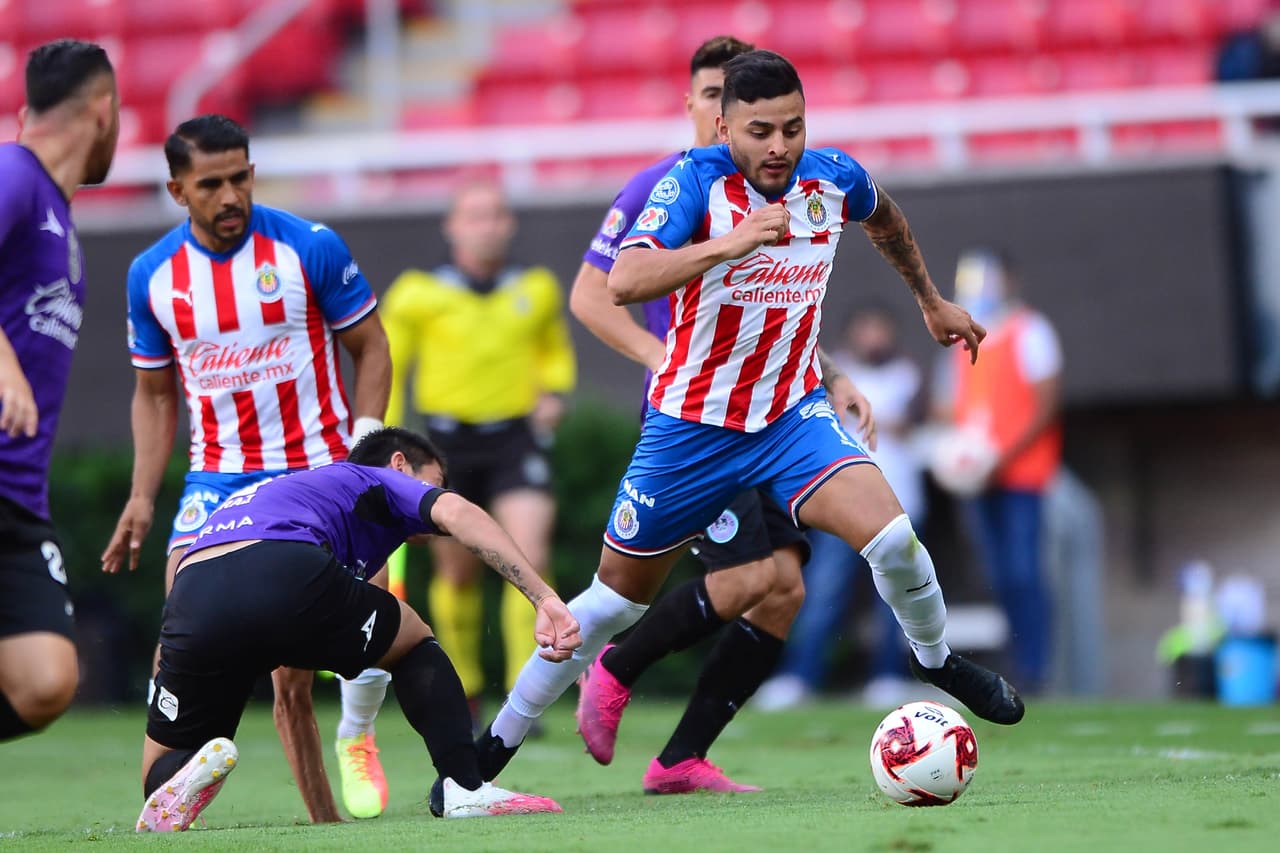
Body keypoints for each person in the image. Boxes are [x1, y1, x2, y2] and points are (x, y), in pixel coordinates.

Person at [466, 49, 1025, 795]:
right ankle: (486, 759)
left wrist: (928, 299)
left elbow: (884, 215)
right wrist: (727, 243)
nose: (779, 147)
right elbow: (623, 280)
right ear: (724, 124)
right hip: (690, 428)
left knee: (892, 539)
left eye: (792, 128)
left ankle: (932, 658)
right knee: (612, 601)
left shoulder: (832, 177)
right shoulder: (690, 183)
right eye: (761, 130)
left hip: (791, 418)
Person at [566, 35, 874, 794]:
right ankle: (613, 667)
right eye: (711, 98)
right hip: (694, 419)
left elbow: (780, 296)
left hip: (772, 412)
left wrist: (829, 373)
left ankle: (680, 758)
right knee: (747, 581)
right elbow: (589, 294)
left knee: (786, 589)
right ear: (699, 107)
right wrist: (654, 357)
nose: (723, 115)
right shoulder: (661, 185)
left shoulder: (778, 187)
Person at [100, 115, 395, 821]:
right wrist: (143, 496)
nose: (231, 194)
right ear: (177, 189)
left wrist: (365, 455)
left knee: (296, 672)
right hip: (219, 480)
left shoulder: (309, 247)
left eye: (241, 176)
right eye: (211, 183)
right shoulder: (153, 277)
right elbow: (155, 392)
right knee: (183, 630)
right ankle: (179, 782)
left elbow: (373, 348)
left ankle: (340, 783)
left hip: (316, 470)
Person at [136, 427, 579, 832]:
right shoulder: (375, 479)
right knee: (411, 638)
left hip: (193, 592)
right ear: (401, 464)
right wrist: (544, 598)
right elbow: (458, 515)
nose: (438, 489)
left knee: (164, 753)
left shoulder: (290, 491)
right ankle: (465, 787)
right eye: (436, 479)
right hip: (280, 566)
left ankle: (175, 780)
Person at [381, 180, 576, 713]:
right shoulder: (417, 294)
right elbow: (391, 367)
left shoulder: (535, 288)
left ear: (508, 224)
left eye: (495, 215)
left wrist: (553, 391)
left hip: (515, 437)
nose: (487, 225)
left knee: (529, 557)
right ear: (453, 226)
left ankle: (525, 688)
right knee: (457, 571)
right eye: (475, 215)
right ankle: (464, 687)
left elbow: (554, 354)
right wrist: (388, 442)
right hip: (444, 444)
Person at [0, 39, 119, 743]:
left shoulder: (56, 214)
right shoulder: (14, 173)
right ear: (104, 111)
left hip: (17, 495)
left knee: (46, 681)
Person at [756, 305, 926, 711]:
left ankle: (888, 677)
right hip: (842, 506)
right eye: (865, 329)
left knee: (896, 600)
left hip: (899, 502)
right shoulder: (838, 375)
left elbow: (918, 421)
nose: (873, 338)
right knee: (823, 593)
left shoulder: (909, 375)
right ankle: (800, 676)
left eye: (879, 329)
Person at [932, 248, 1063, 694]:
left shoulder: (1032, 330)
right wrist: (959, 453)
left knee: (1025, 570)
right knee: (997, 574)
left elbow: (1045, 405)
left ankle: (1037, 669)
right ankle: (1017, 659)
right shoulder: (961, 340)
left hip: (1022, 475)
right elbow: (947, 406)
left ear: (1010, 280)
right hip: (977, 477)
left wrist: (997, 457)